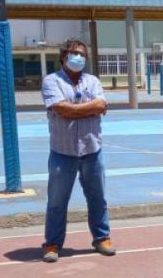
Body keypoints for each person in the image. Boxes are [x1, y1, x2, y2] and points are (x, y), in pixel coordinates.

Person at [40, 39, 114, 262]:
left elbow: (101, 105)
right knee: (57, 201)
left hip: (92, 150)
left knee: (97, 197)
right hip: (62, 152)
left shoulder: (92, 81)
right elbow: (60, 109)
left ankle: (102, 238)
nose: (78, 57)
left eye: (82, 54)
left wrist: (73, 110)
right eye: (74, 53)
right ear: (63, 56)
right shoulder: (51, 81)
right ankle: (52, 243)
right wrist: (86, 109)